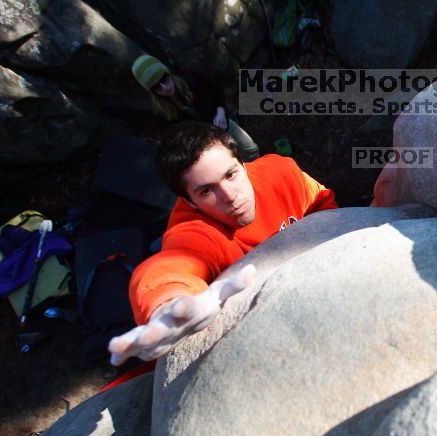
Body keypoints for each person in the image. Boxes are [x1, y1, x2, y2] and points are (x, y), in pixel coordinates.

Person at [108, 121, 338, 366]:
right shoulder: (195, 231)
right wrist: (168, 304)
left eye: (231, 175)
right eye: (207, 191)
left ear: (243, 164)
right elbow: (170, 266)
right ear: (191, 202)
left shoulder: (281, 172)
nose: (230, 196)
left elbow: (321, 201)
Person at [131, 54, 261, 162]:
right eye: (156, 87)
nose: (165, 88)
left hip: (224, 125)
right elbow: (175, 139)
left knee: (251, 150)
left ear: (168, 73)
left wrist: (220, 112)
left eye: (164, 79)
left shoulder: (190, 77)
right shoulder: (161, 114)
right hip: (207, 145)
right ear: (152, 92)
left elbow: (215, 90)